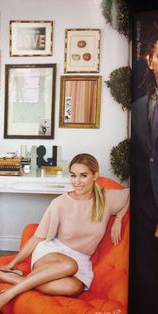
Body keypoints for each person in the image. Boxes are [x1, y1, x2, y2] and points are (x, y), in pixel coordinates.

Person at [0, 153, 129, 314]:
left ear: (95, 176)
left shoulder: (106, 199)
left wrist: (119, 218)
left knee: (73, 288)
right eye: (73, 176)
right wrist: (12, 264)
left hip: (82, 260)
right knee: (69, 264)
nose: (77, 182)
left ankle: (14, 279)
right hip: (52, 252)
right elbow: (39, 236)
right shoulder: (60, 203)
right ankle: (6, 296)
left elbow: (131, 195)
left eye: (83, 176)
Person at [129, 35, 158, 314]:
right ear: (150, 61)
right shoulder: (139, 106)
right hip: (144, 202)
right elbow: (142, 158)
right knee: (145, 271)